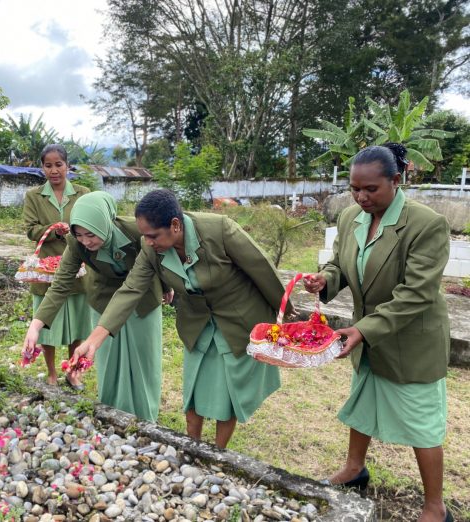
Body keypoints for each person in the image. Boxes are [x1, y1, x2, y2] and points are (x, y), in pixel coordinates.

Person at [303, 143, 452, 522]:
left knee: (422, 424)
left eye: (371, 189)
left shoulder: (425, 224)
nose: (360, 196)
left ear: (396, 181)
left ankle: (435, 506)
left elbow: (415, 294)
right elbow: (340, 264)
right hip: (368, 336)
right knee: (362, 406)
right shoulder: (352, 217)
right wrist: (325, 280)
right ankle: (354, 469)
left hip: (410, 340)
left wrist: (363, 330)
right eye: (355, 188)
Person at [71, 189, 288, 448]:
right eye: (144, 236)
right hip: (197, 321)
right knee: (193, 388)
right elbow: (130, 290)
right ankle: (191, 445)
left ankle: (219, 451)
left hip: (237, 317)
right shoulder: (151, 248)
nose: (148, 242)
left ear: (175, 225)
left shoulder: (219, 230)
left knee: (228, 391)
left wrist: (283, 317)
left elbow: (260, 268)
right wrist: (94, 341)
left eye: (153, 235)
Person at [23, 192, 168, 421]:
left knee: (144, 362)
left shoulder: (136, 233)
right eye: (79, 234)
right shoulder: (76, 244)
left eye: (91, 234)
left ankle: (145, 418)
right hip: (104, 298)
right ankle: (113, 415)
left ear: (105, 222)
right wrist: (35, 325)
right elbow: (61, 283)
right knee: (109, 361)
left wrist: (166, 287)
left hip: (142, 298)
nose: (86, 241)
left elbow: (161, 259)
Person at [23, 144, 91, 390]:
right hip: (47, 271)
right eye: (48, 165)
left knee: (78, 324)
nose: (54, 170)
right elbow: (31, 229)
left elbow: (91, 222)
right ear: (42, 168)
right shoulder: (34, 196)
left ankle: (73, 372)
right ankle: (52, 373)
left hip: (79, 268)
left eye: (58, 164)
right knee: (47, 324)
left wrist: (74, 229)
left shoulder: (83, 193)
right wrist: (53, 229)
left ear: (67, 166)